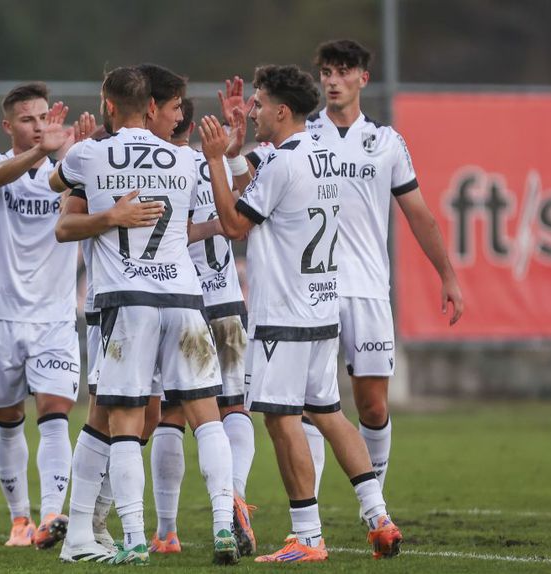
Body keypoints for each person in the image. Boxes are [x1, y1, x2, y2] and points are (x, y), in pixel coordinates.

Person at [199, 64, 403, 562]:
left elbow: (232, 224)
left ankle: (307, 536)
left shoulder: (283, 165)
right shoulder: (326, 153)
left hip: (284, 315)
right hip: (322, 311)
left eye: (260, 104)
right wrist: (233, 151)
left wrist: (213, 161)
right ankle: (379, 517)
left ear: (282, 110)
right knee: (330, 414)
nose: (255, 111)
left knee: (281, 419)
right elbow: (263, 173)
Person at [51, 66, 239, 566]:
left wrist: (103, 200)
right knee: (208, 418)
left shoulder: (90, 153)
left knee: (125, 422)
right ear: (152, 108)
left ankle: (133, 538)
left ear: (108, 105)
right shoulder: (184, 159)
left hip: (126, 305)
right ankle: (224, 525)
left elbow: (58, 197)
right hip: (184, 303)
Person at [299, 39, 464, 496]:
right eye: (326, 72)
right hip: (314, 289)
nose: (332, 80)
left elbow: (419, 214)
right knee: (312, 403)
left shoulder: (387, 142)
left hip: (369, 289)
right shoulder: (303, 136)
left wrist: (447, 275)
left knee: (371, 405)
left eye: (343, 71)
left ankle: (374, 504)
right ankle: (307, 520)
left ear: (362, 78)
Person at [138, 86, 257, 558]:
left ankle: (167, 530)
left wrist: (211, 224)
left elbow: (178, 228)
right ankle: (235, 499)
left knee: (170, 413)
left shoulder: (166, 167)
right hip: (226, 298)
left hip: (182, 302)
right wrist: (232, 150)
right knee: (233, 409)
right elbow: (243, 200)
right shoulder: (212, 161)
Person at [0, 82, 81, 550]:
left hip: (54, 317)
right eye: (27, 120)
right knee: (9, 417)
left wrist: (74, 155)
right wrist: (41, 153)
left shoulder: (66, 172)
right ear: (8, 126)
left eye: (43, 118)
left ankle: (52, 515)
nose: (37, 127)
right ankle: (19, 519)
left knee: (55, 413)